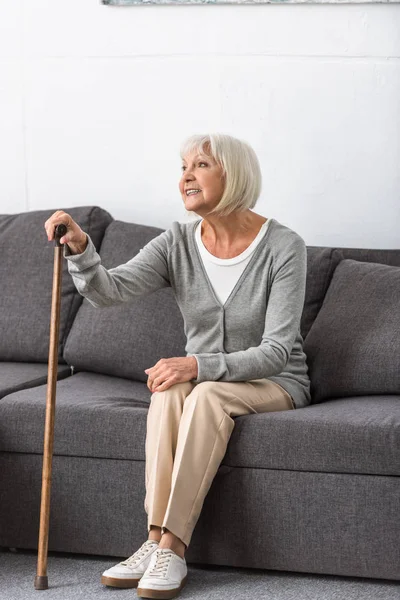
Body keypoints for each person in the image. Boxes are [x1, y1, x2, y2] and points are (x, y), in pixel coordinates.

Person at [44, 133, 311, 600]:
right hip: (213, 378)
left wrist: (196, 364)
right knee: (167, 389)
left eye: (201, 165)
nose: (186, 175)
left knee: (203, 391)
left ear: (234, 175)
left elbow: (277, 353)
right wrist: (82, 249)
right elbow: (109, 291)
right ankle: (153, 540)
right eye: (183, 166)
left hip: (275, 380)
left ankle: (174, 545)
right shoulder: (178, 242)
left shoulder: (284, 246)